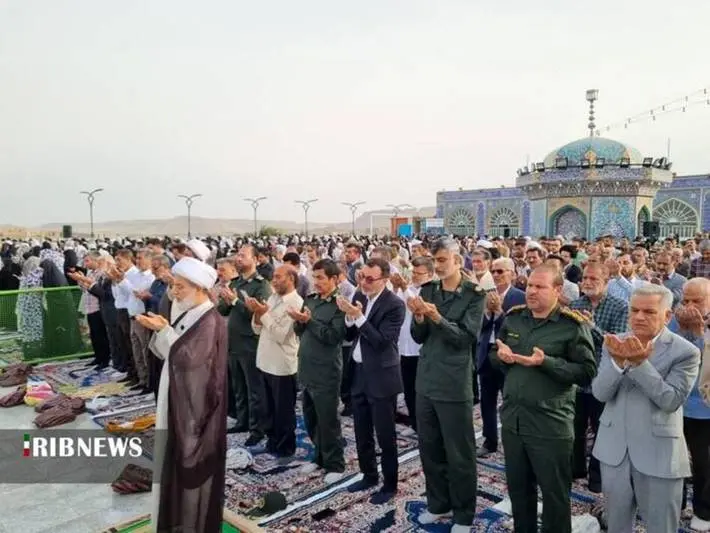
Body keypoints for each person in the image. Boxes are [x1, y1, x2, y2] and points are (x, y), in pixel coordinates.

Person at [491, 264, 597, 533]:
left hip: (550, 423)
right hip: (514, 420)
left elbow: (586, 372)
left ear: (558, 290)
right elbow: (495, 355)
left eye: (540, 287)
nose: (532, 291)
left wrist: (546, 362)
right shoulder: (514, 318)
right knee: (519, 489)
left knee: (554, 493)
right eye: (530, 286)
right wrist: (500, 357)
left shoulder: (571, 326)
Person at [592, 284, 700, 533]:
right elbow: (600, 393)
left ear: (667, 316)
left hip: (659, 453)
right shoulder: (614, 343)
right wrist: (617, 364)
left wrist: (639, 365)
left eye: (649, 312)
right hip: (614, 450)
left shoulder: (686, 352)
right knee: (616, 524)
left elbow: (671, 400)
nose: (639, 317)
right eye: (634, 310)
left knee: (661, 526)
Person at [137, 257, 227, 533]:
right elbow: (173, 353)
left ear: (199, 288)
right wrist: (165, 328)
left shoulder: (210, 321)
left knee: (192, 475)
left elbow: (189, 360)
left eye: (180, 287)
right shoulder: (191, 313)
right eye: (174, 286)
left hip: (196, 411)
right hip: (178, 399)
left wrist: (163, 330)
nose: (174, 292)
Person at [407, 237, 485, 533]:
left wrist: (436, 317)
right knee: (430, 447)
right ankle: (439, 504)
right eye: (434, 260)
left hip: (453, 383)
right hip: (427, 380)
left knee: (459, 453)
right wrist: (419, 317)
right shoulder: (428, 290)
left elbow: (465, 338)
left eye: (442, 260)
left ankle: (464, 514)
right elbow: (418, 337)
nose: (437, 266)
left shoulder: (474, 295)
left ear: (457, 260)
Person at [338, 257, 405, 504]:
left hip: (381, 377)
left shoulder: (395, 305)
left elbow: (381, 342)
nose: (364, 282)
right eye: (361, 277)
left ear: (384, 280)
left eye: (369, 278)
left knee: (385, 435)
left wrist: (358, 317)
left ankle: (389, 485)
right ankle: (368, 475)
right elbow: (349, 334)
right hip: (359, 373)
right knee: (361, 430)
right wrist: (349, 316)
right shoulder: (361, 296)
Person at [568, 263, 628, 492]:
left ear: (606, 281)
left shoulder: (620, 306)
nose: (588, 282)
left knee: (601, 430)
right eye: (585, 278)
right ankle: (575, 469)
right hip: (578, 376)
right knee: (575, 427)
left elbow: (617, 344)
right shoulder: (576, 305)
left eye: (594, 278)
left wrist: (591, 327)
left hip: (603, 379)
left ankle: (596, 477)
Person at [291, 258, 347, 485]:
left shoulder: (340, 304)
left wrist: (310, 321)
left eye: (321, 278)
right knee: (311, 417)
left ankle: (335, 464)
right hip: (307, 367)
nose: (316, 282)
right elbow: (299, 331)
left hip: (326, 370)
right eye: (314, 277)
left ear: (334, 279)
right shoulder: (311, 300)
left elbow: (334, 336)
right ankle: (319, 456)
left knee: (328, 420)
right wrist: (299, 321)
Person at [217, 244, 272, 445]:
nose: (238, 258)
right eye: (237, 255)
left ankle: (258, 429)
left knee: (254, 389)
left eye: (243, 255)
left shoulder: (261, 285)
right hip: (234, 343)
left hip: (250, 343)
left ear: (256, 260)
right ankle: (243, 421)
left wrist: (234, 301)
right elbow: (223, 311)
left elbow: (258, 314)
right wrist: (224, 299)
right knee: (238, 385)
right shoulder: (236, 283)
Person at [250, 265, 303, 458]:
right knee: (268, 408)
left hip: (282, 365)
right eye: (273, 277)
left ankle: (286, 449)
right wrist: (257, 313)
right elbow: (257, 329)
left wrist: (263, 314)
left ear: (291, 279)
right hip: (265, 360)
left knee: (283, 411)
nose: (274, 280)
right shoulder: (273, 298)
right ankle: (272, 442)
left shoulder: (296, 303)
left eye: (279, 277)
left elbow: (281, 335)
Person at [670, 278, 710, 531]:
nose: (691, 306)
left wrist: (699, 335)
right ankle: (674, 505)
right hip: (675, 403)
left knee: (704, 463)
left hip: (705, 409)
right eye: (686, 300)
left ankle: (704, 510)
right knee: (673, 461)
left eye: (698, 300)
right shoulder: (676, 320)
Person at [476, 257, 525, 457]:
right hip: (487, 352)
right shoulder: (486, 295)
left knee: (510, 400)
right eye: (494, 271)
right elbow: (478, 326)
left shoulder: (520, 297)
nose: (496, 275)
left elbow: (519, 328)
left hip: (509, 355)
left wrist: (499, 312)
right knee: (487, 400)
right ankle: (489, 440)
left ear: (512, 274)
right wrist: (488, 314)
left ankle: (513, 439)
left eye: (501, 271)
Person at [391, 256, 435, 431]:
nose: (415, 276)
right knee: (409, 389)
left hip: (421, 349)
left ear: (430, 274)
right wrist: (397, 287)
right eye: (413, 272)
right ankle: (416, 423)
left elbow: (416, 305)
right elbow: (395, 304)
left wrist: (403, 288)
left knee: (423, 391)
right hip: (405, 348)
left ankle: (426, 425)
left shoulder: (432, 291)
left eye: (419, 273)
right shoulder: (408, 288)